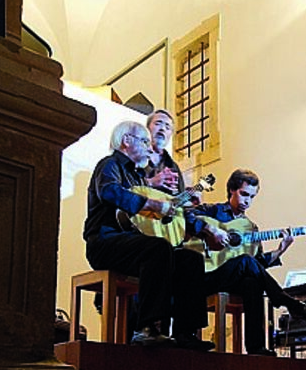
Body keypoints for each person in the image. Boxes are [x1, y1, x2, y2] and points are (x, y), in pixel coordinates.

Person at [83, 120, 213, 351]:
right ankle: (147, 329)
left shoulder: (138, 179)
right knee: (158, 248)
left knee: (190, 258)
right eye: (144, 141)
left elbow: (150, 216)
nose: (149, 147)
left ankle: (185, 332)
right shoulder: (109, 165)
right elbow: (110, 192)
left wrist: (177, 209)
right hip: (104, 242)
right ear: (126, 141)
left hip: (131, 243)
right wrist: (151, 203)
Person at [187, 169, 306, 356]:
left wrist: (281, 249)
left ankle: (256, 348)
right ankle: (286, 301)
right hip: (205, 274)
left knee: (253, 281)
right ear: (232, 189)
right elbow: (185, 215)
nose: (247, 201)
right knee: (246, 263)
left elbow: (257, 265)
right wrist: (212, 230)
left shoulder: (250, 228)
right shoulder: (212, 211)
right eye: (244, 194)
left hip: (233, 278)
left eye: (252, 197)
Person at [143, 109, 182, 194]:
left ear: (170, 135)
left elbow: (178, 200)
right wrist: (150, 182)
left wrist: (190, 198)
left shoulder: (173, 167)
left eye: (167, 127)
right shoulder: (135, 157)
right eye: (158, 124)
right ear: (147, 128)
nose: (162, 129)